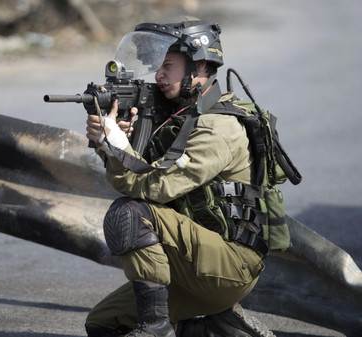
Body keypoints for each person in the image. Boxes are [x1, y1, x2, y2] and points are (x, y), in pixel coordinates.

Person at [84, 18, 282, 337]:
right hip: (189, 258)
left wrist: (118, 147)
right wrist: (109, 145)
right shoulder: (182, 117)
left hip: (229, 263)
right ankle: (212, 327)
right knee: (104, 325)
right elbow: (138, 173)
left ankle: (157, 328)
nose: (159, 75)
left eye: (168, 66)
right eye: (156, 66)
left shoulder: (219, 125)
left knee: (129, 215)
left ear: (200, 66)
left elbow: (156, 187)